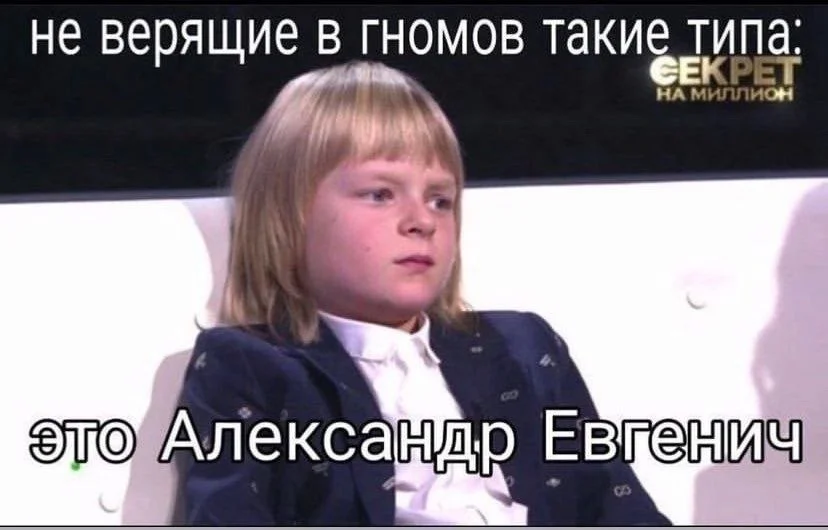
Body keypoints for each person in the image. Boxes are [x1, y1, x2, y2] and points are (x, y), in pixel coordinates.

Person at [177, 60, 671, 526]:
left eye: (440, 200)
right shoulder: (248, 367)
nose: (421, 221)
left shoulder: (525, 346)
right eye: (380, 194)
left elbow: (620, 507)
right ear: (290, 215)